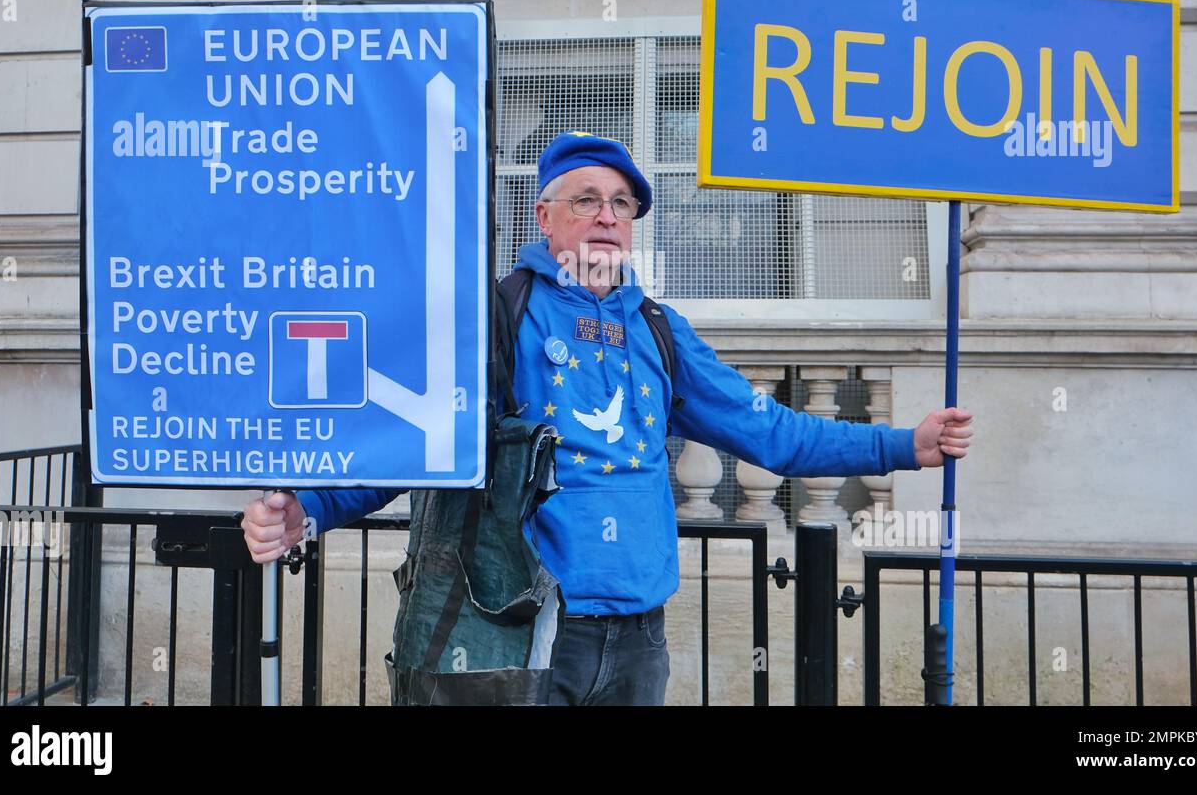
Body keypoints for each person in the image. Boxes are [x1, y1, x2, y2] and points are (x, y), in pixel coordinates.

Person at [242, 131, 974, 705]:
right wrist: (311, 507)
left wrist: (902, 444)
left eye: (621, 204)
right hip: (522, 634)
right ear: (544, 217)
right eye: (586, 199)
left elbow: (772, 432)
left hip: (637, 645)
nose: (605, 215)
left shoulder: (659, 330)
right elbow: (412, 437)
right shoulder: (496, 317)